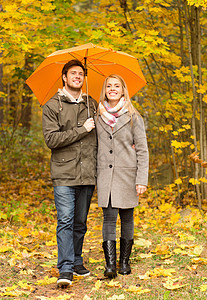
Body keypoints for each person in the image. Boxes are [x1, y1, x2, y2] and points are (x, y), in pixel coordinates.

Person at [42, 59, 97, 287]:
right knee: (65, 220)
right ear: (64, 77)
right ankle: (64, 268)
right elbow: (51, 140)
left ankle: (76, 261)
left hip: (88, 171)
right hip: (64, 172)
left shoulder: (91, 104)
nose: (78, 76)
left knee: (80, 222)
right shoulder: (52, 106)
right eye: (73, 73)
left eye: (81, 73)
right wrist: (81, 130)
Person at [95, 74, 149, 278]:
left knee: (127, 218)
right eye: (109, 86)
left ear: (123, 90)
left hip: (127, 174)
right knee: (108, 218)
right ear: (104, 90)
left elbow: (142, 149)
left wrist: (141, 179)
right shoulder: (97, 116)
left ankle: (124, 262)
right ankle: (110, 265)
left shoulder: (134, 117)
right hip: (106, 175)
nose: (112, 89)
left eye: (117, 85)